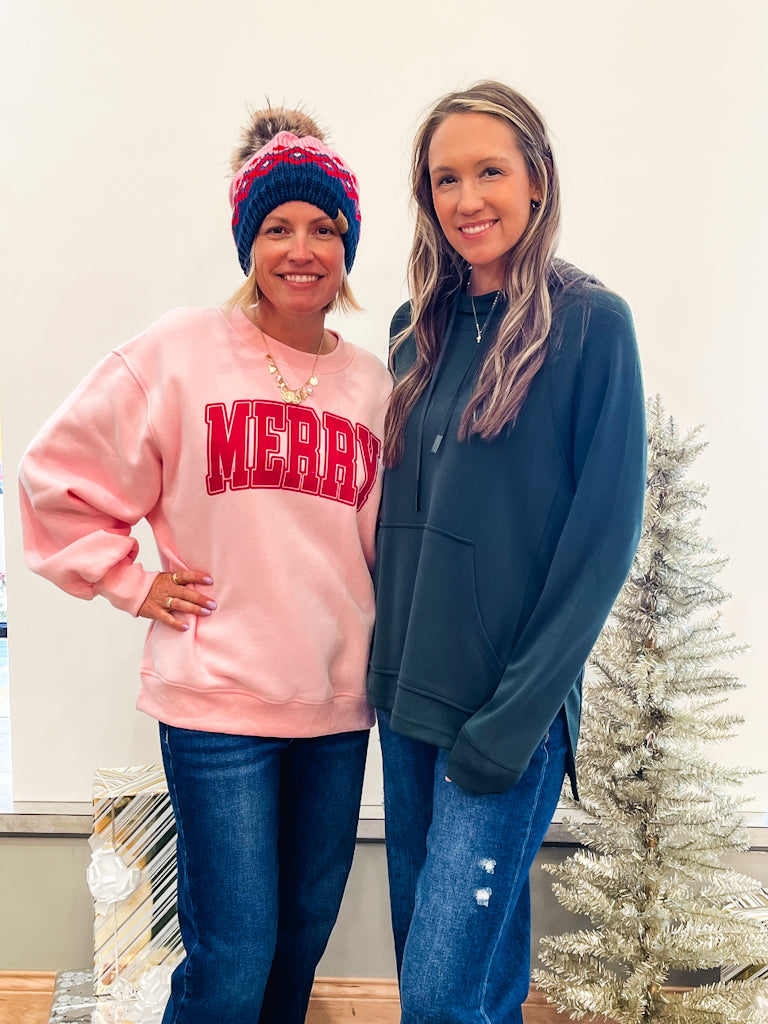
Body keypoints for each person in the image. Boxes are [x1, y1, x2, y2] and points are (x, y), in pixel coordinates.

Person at [19, 105, 391, 1024]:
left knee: (302, 937)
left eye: (323, 228)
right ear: (246, 243)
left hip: (337, 707)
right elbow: (53, 475)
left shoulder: (378, 386)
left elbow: (390, 550)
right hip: (217, 700)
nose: (300, 249)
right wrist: (130, 579)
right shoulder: (181, 352)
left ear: (347, 248)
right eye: (276, 228)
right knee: (232, 954)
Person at [367, 80, 646, 1023]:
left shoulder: (590, 326)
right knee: (466, 983)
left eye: (491, 170)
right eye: (446, 178)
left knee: (439, 998)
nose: (468, 199)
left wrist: (512, 720)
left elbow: (603, 542)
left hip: (502, 717)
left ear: (537, 180)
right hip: (406, 707)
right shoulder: (415, 331)